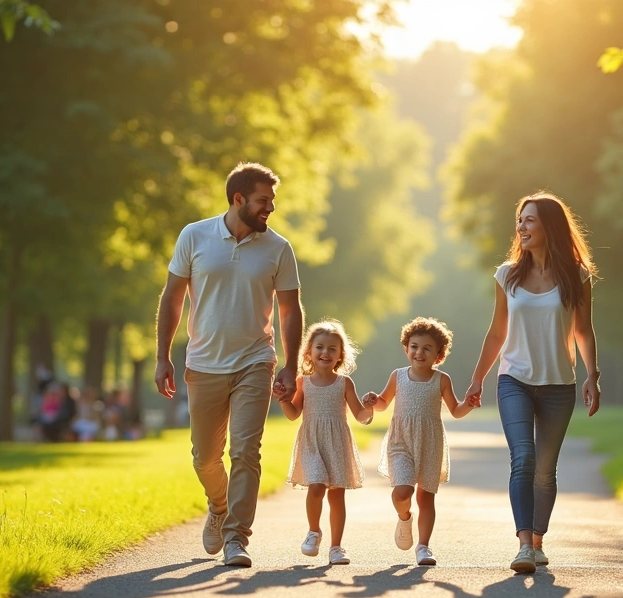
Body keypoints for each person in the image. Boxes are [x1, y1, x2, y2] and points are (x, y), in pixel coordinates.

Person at [154, 162, 303, 568]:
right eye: (263, 200)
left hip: (256, 359)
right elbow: (172, 298)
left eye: (272, 200)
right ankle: (219, 506)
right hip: (204, 362)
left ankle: (237, 538)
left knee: (245, 451)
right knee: (204, 457)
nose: (270, 208)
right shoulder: (194, 236)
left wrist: (290, 365)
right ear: (238, 199)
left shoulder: (278, 248)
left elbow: (290, 310)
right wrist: (163, 356)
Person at [464, 191, 601, 574]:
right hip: (515, 380)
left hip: (559, 384)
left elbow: (583, 331)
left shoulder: (577, 276)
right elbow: (497, 333)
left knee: (545, 470)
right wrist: (477, 379)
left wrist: (592, 375)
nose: (521, 227)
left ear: (549, 226)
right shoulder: (507, 275)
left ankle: (538, 541)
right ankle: (524, 545)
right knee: (523, 458)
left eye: (529, 220)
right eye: (519, 220)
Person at [362, 317, 473, 566]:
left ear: (439, 354)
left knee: (426, 497)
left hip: (430, 444)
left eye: (426, 348)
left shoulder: (441, 380)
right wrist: (373, 400)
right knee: (403, 491)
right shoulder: (398, 376)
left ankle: (423, 547)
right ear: (406, 348)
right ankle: (404, 517)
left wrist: (468, 404)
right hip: (400, 441)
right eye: (414, 346)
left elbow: (456, 410)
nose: (419, 352)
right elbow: (383, 403)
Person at [279, 320, 372, 565]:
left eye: (332, 349)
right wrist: (282, 400)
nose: (325, 353)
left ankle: (336, 547)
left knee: (337, 495)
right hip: (312, 442)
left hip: (337, 443)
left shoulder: (344, 383)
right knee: (316, 486)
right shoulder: (303, 382)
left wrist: (369, 408)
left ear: (340, 355)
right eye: (320, 347)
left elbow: (360, 415)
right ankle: (314, 531)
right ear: (309, 351)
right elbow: (293, 414)